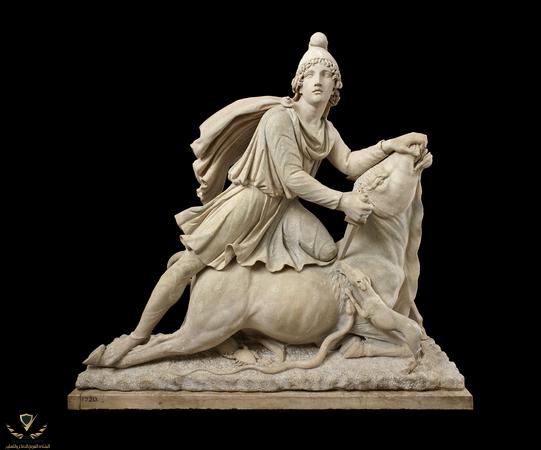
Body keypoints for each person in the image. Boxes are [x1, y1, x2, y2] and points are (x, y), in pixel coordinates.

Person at [84, 32, 427, 366]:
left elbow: (349, 163)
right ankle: (137, 337)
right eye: (311, 74)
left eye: (327, 75)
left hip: (283, 209)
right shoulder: (279, 118)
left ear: (336, 87)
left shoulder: (326, 130)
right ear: (299, 83)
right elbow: (293, 177)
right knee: (188, 264)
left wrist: (390, 145)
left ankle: (281, 320)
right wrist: (342, 201)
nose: (318, 81)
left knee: (326, 253)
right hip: (251, 201)